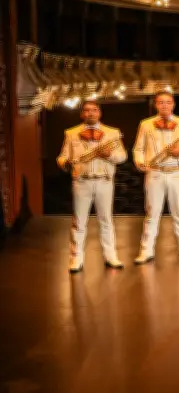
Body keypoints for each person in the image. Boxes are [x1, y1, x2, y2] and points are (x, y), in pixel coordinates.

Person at [56, 100, 127, 273]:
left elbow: (122, 156)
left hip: (104, 181)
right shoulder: (71, 133)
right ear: (82, 114)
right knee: (79, 222)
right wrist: (65, 163)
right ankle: (76, 258)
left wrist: (109, 154)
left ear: (100, 113)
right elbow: (62, 157)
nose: (90, 113)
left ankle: (111, 256)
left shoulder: (112, 133)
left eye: (94, 110)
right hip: (82, 181)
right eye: (87, 110)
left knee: (106, 221)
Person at [133, 90, 179, 264]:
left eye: (168, 102)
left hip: (177, 172)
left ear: (173, 104)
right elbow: (138, 148)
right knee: (152, 213)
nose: (164, 105)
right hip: (155, 172)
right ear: (156, 104)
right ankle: (146, 250)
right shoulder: (146, 124)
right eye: (161, 102)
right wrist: (140, 162)